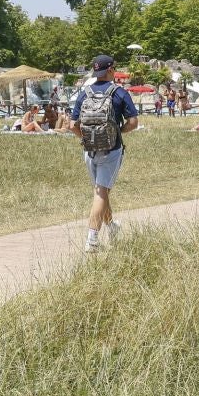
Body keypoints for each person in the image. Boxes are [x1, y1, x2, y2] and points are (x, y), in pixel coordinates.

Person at [68, 54, 139, 254]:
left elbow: (72, 125)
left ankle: (111, 226)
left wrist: (85, 137)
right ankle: (92, 239)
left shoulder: (85, 93)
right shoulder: (119, 93)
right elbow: (133, 123)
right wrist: (118, 131)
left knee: (102, 191)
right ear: (111, 70)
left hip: (89, 150)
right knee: (100, 192)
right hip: (111, 149)